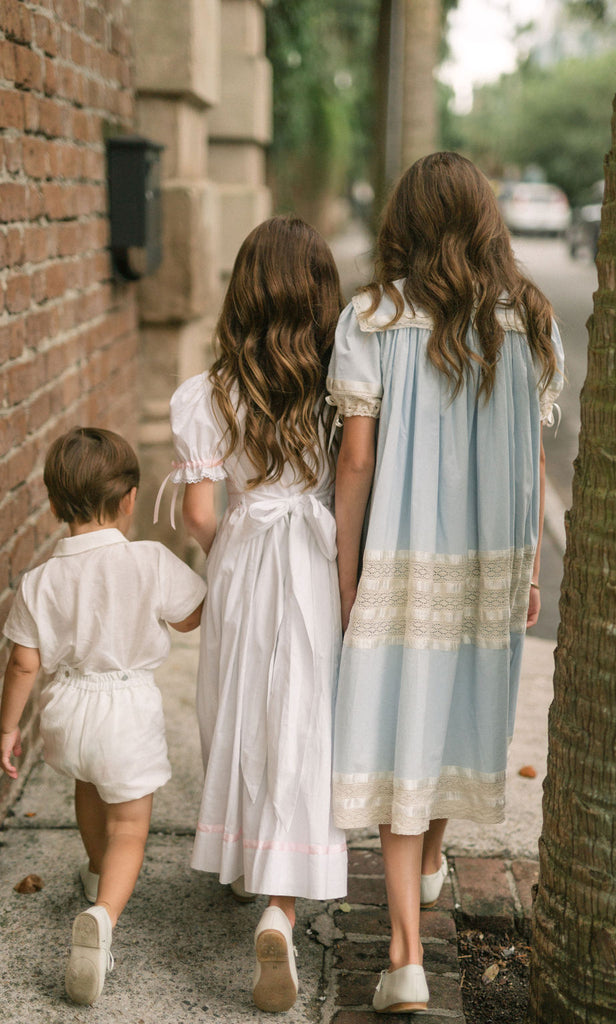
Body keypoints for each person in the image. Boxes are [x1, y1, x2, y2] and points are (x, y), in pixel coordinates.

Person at [327, 151, 564, 1014]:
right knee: (451, 712)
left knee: (399, 734)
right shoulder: (529, 318)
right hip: (488, 560)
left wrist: (346, 570)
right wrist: (529, 569)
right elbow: (533, 458)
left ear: (405, 222)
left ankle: (403, 958)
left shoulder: (372, 317)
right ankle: (429, 862)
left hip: (399, 555)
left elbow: (356, 460)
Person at [160, 216, 348, 1013]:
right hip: (315, 559)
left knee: (235, 708)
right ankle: (281, 903)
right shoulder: (339, 385)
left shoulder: (209, 393)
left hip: (243, 556)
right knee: (301, 718)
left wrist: (228, 552)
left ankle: (241, 859)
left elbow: (198, 514)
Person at [0, 427, 206, 1006]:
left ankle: (96, 868)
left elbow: (22, 662)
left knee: (88, 781)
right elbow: (192, 616)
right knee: (130, 827)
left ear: (53, 503)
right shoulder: (149, 561)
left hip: (68, 709)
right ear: (129, 499)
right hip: (126, 709)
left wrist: (8, 728)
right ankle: (104, 916)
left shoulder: (39, 580)